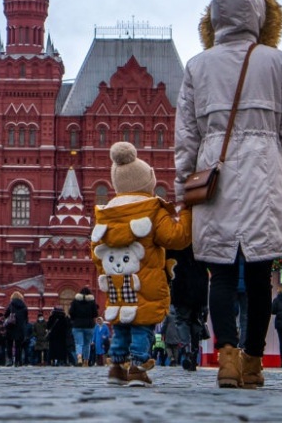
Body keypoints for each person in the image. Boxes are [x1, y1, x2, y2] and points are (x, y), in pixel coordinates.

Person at [174, 0, 282, 389]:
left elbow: (186, 137)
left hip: (215, 175)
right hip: (266, 174)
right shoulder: (276, 61)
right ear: (259, 14)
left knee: (221, 275)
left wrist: (183, 191)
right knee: (260, 275)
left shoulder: (198, 65)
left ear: (215, 17)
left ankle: (227, 359)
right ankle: (252, 362)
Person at [94, 142, 192, 387]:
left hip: (117, 285)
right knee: (142, 325)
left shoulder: (106, 213)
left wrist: (110, 273)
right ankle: (137, 369)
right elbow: (176, 238)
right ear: (146, 181)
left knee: (121, 325)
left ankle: (117, 368)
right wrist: (187, 213)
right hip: (146, 284)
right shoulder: (151, 209)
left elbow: (97, 252)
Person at [68, 287, 98, 367]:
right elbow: (95, 314)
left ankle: (79, 357)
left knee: (79, 343)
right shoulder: (92, 302)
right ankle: (86, 361)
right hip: (89, 325)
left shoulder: (75, 301)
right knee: (87, 344)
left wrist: (74, 319)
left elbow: (71, 312)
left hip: (77, 325)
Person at [3, 292, 29, 366]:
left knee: (9, 345)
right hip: (20, 329)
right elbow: (26, 319)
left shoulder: (11, 305)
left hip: (11, 327)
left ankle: (10, 360)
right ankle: (18, 361)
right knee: (18, 346)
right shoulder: (24, 306)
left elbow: (6, 315)